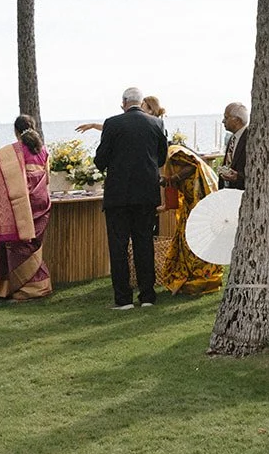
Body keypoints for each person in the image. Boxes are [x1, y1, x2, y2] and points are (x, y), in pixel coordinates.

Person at [94, 86, 169, 310]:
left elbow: (100, 159)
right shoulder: (156, 123)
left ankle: (123, 298)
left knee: (118, 246)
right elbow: (162, 157)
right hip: (146, 194)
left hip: (119, 195)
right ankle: (147, 295)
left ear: (124, 102)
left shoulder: (112, 123)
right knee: (144, 243)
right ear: (139, 101)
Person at [0, 114, 52, 301]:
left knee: (19, 245)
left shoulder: (13, 153)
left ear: (16, 131)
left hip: (23, 204)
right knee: (33, 244)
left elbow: (7, 179)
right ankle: (36, 285)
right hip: (42, 203)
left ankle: (28, 288)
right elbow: (46, 178)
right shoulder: (43, 151)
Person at [159, 143, 223, 296]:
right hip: (190, 210)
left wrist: (172, 178)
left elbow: (192, 165)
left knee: (194, 245)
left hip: (198, 211)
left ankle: (200, 278)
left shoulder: (174, 153)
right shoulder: (172, 158)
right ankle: (195, 277)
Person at [218, 102, 248, 189]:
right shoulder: (232, 138)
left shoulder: (250, 138)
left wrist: (238, 177)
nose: (223, 121)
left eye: (226, 117)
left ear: (237, 120)